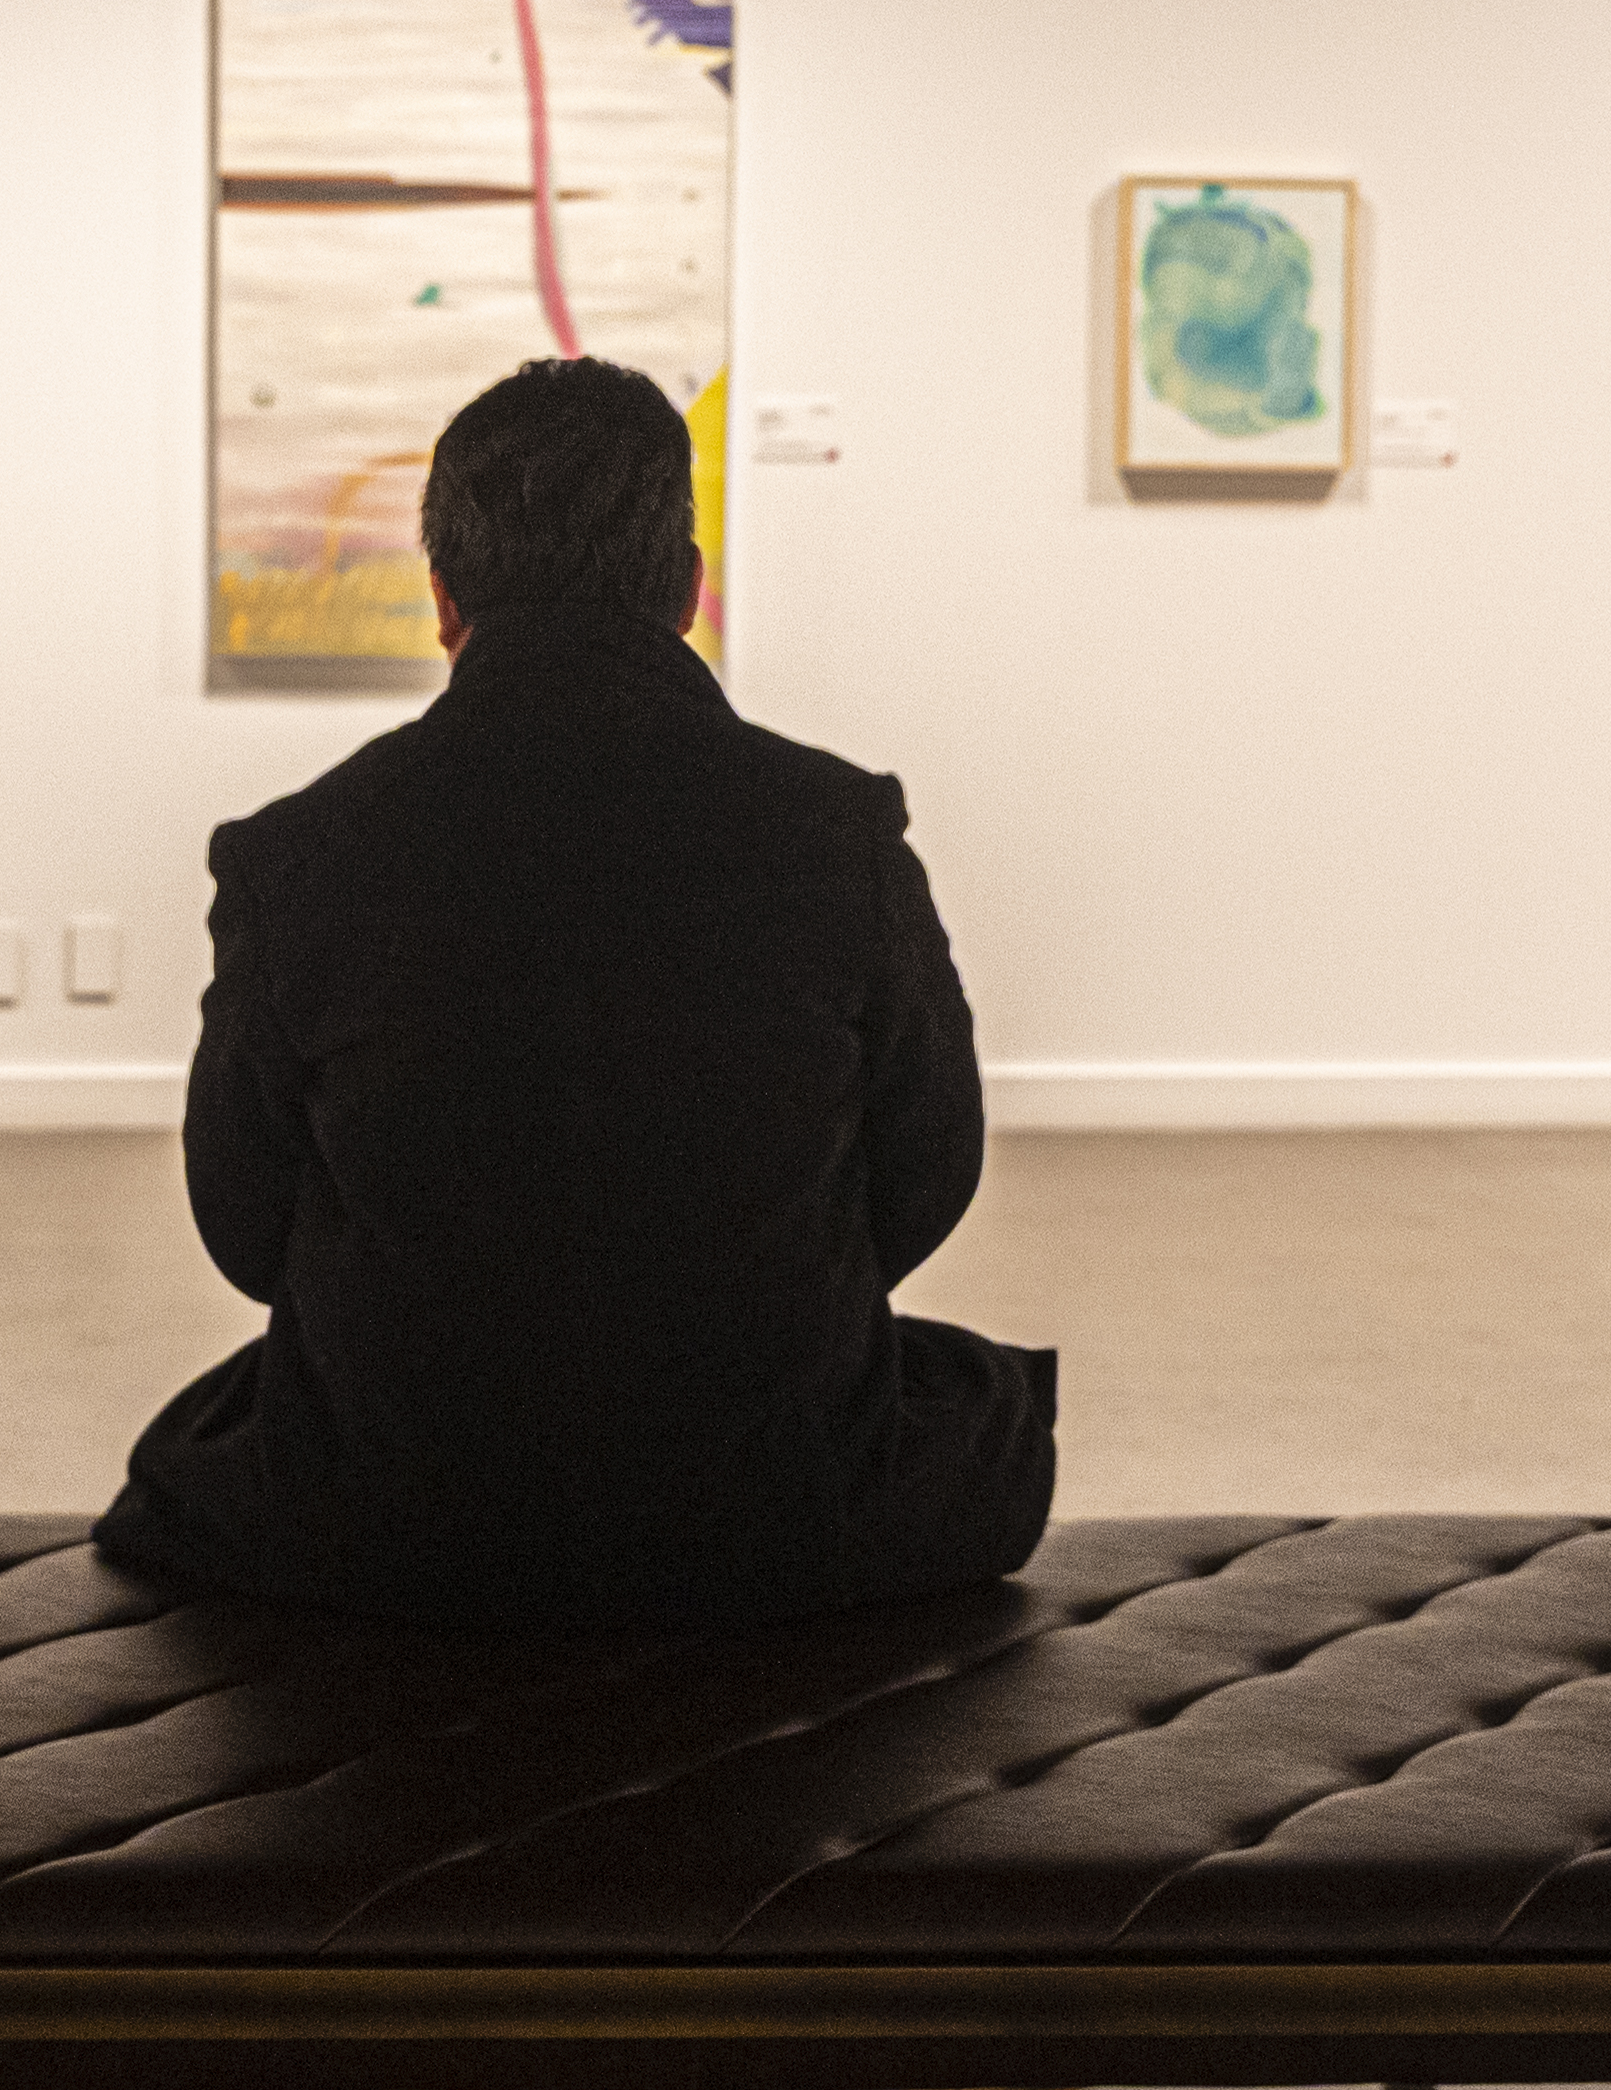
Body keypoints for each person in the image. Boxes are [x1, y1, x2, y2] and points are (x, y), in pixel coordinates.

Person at [98, 356, 1056, 1630]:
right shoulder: (834, 830)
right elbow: (929, 1170)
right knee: (969, 1404)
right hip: (771, 1508)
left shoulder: (299, 853)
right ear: (688, 591)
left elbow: (241, 1225)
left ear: (441, 599)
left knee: (223, 1428)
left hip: (399, 1517)